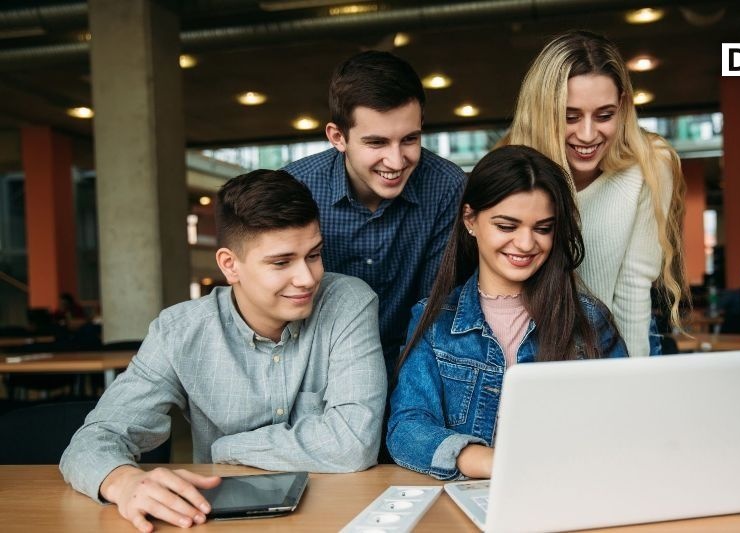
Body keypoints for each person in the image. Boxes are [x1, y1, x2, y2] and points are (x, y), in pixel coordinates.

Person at [60, 170, 386, 532]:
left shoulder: (348, 302)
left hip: (337, 514)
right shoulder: (179, 331)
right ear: (230, 265)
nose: (308, 278)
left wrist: (227, 447)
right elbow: (94, 440)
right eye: (281, 262)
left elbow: (354, 443)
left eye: (314, 255)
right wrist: (123, 481)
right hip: (218, 522)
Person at [387, 146, 627, 480]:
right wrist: (489, 462)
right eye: (507, 226)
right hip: (474, 499)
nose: (526, 244)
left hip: (571, 491)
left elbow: (624, 423)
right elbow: (406, 429)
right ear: (471, 220)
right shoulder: (434, 320)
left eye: (542, 228)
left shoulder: (589, 320)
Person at [501, 30, 688, 357]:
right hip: (536, 346)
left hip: (621, 344)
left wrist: (629, 384)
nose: (587, 135)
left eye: (605, 115)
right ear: (544, 111)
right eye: (570, 117)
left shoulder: (649, 163)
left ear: (623, 107)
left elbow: (633, 291)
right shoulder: (516, 167)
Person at [282, 51, 467, 376]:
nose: (396, 161)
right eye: (377, 143)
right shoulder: (295, 187)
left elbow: (435, 311)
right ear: (338, 137)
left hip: (413, 367)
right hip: (315, 371)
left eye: (409, 139)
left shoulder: (447, 187)